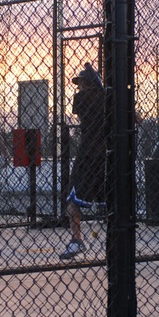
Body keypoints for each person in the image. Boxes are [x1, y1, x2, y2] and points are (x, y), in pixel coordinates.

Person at [59, 63, 105, 260]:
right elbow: (136, 118)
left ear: (89, 84)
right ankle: (115, 242)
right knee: (106, 201)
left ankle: (77, 240)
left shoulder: (86, 97)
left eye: (82, 84)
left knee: (72, 201)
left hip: (89, 157)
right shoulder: (110, 99)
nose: (78, 88)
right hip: (106, 156)